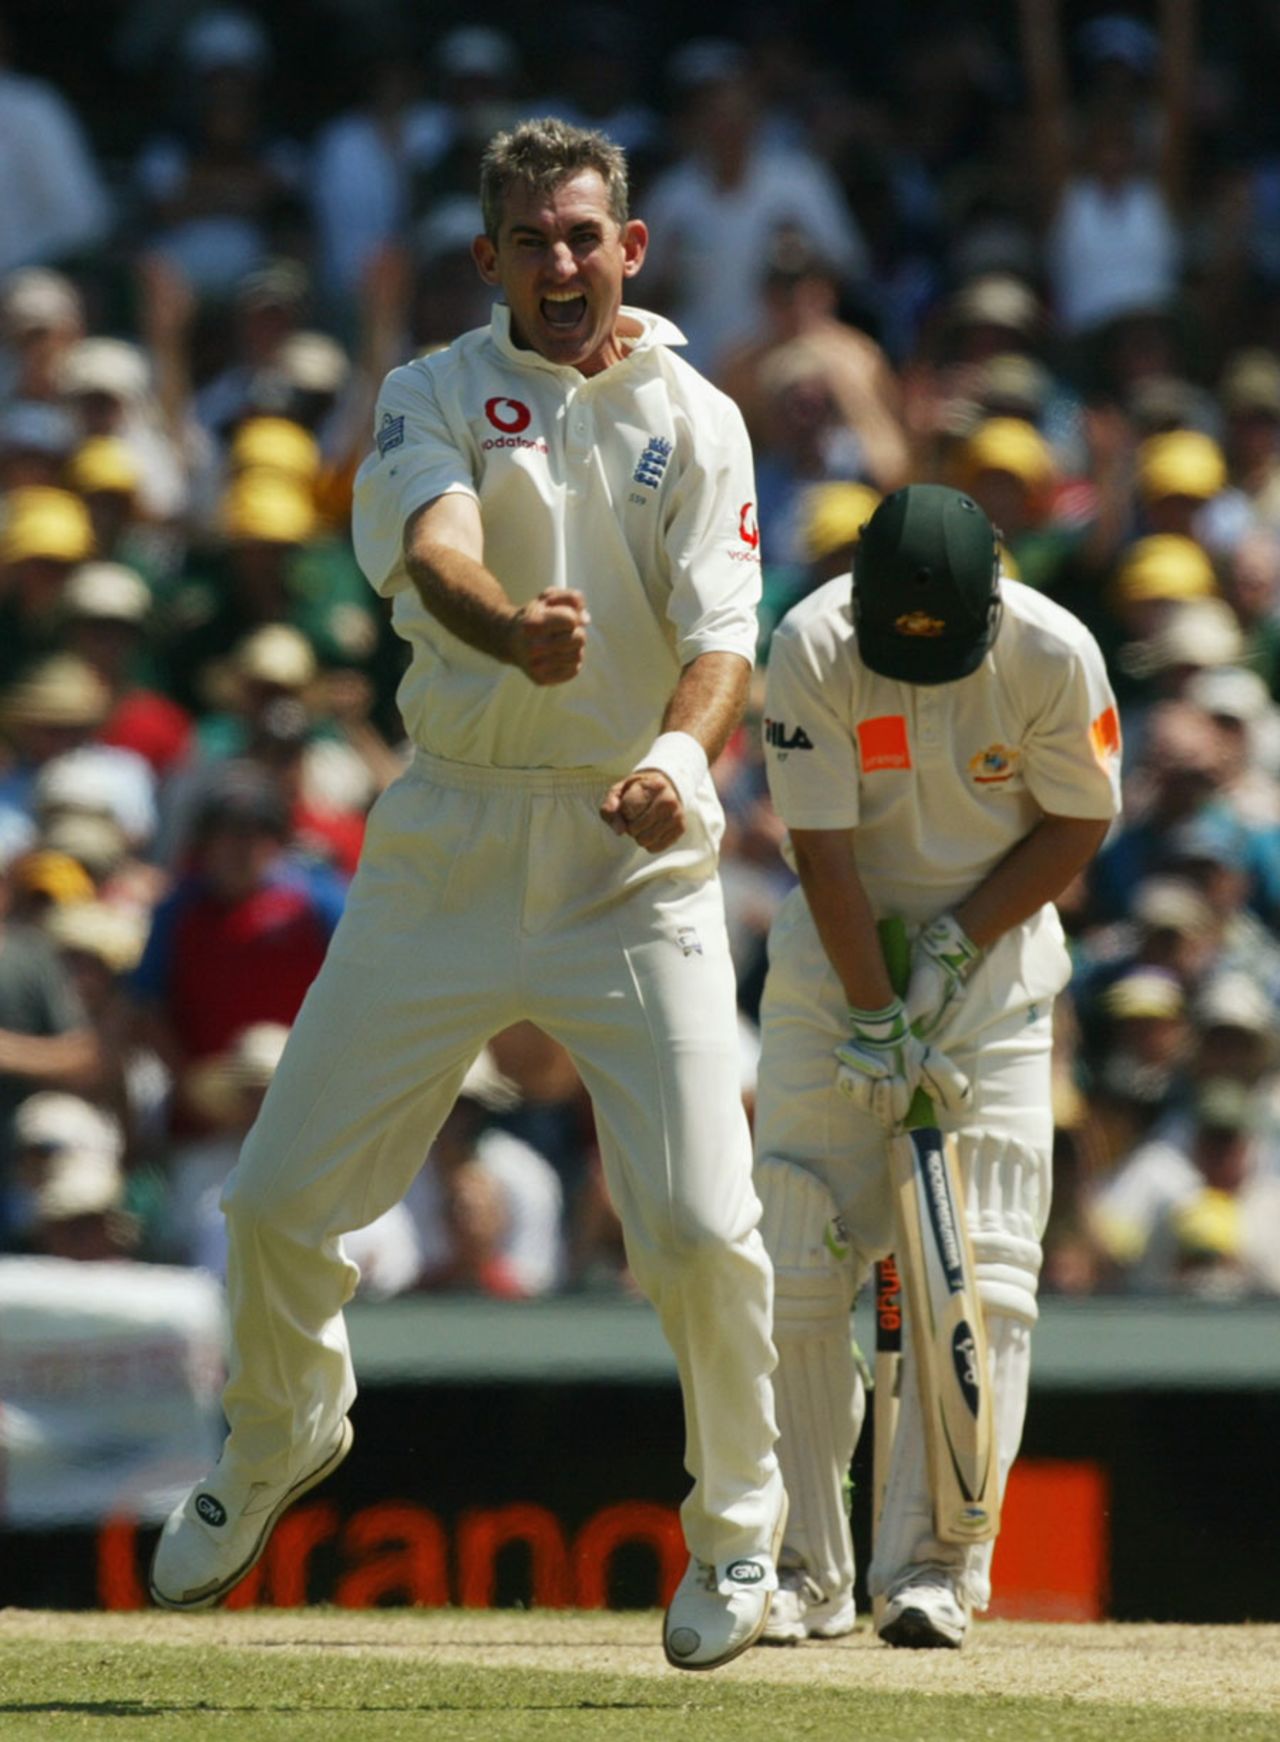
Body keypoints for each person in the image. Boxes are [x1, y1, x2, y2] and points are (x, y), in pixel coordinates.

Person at [148, 116, 784, 1671]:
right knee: (281, 1203)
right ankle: (282, 1432)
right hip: (444, 841)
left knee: (701, 1224)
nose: (557, 264)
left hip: (634, 864)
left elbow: (725, 641)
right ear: (486, 255)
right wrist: (514, 632)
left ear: (630, 248)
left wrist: (677, 765)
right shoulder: (427, 391)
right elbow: (434, 555)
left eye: (583, 236)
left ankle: (744, 1527)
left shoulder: (700, 418)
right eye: (527, 239)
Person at [752, 485, 1121, 1648]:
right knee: (801, 1253)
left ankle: (936, 1567)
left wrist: (955, 944)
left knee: (990, 1269)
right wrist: (872, 1013)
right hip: (833, 972)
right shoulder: (810, 643)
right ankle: (806, 1568)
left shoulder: (1051, 651)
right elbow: (821, 852)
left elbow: (1076, 818)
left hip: (995, 970)